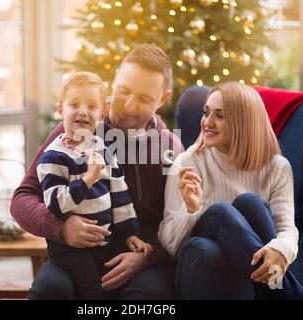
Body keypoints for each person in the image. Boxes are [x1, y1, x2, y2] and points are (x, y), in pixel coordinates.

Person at [10, 44, 184, 299]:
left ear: (163, 99)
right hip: (77, 254)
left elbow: (183, 219)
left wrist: (148, 257)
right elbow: (22, 198)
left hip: (140, 258)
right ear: (114, 79)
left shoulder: (169, 146)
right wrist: (61, 227)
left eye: (145, 99)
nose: (129, 106)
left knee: (149, 297)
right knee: (50, 290)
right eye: (124, 91)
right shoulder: (75, 130)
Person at [158, 82, 303, 300]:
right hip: (201, 239)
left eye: (220, 115)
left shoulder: (277, 167)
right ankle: (294, 296)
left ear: (243, 122)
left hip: (246, 258)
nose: (207, 122)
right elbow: (171, 245)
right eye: (206, 112)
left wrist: (280, 249)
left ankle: (278, 294)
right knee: (221, 210)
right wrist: (193, 209)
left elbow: (286, 229)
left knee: (250, 202)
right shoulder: (188, 161)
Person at [36, 71, 153, 299]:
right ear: (60, 110)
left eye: (92, 105)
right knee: (92, 293)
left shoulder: (101, 147)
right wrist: (88, 179)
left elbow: (119, 192)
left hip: (104, 240)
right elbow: (56, 203)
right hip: (70, 248)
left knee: (112, 288)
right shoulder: (53, 157)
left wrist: (130, 233)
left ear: (102, 113)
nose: (83, 111)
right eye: (74, 104)